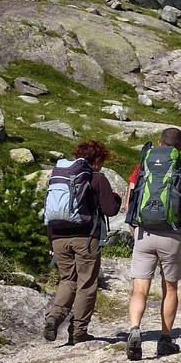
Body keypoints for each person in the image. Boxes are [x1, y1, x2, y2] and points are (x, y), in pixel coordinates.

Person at [124, 127, 181, 360]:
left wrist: (133, 227)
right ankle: (165, 339)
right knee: (170, 288)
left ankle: (135, 329)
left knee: (140, 288)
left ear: (159, 143)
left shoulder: (145, 163)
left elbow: (131, 198)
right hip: (172, 234)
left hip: (144, 233)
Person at [41, 140, 122, 346]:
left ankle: (55, 316)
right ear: (98, 159)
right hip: (86, 239)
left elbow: (51, 212)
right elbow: (110, 209)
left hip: (58, 237)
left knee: (67, 279)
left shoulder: (60, 178)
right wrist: (117, 198)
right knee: (86, 284)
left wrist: (51, 240)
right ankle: (78, 331)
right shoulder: (97, 178)